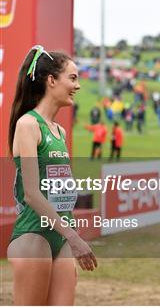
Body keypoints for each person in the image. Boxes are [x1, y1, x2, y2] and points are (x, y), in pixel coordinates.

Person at [7, 45, 97, 305]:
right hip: (34, 236)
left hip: (61, 237)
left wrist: (70, 235)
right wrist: (75, 237)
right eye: (72, 78)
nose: (77, 86)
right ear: (51, 80)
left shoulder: (59, 131)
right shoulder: (28, 125)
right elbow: (32, 194)